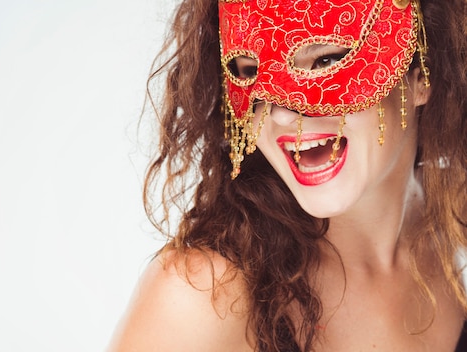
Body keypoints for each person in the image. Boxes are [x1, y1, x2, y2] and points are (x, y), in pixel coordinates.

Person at [109, 0, 467, 350]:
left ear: (423, 71)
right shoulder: (202, 296)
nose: (281, 115)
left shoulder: (456, 220)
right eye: (249, 70)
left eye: (326, 59)